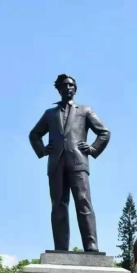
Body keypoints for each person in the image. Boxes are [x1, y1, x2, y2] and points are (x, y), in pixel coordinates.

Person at [29, 74, 111, 252]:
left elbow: (104, 132)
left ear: (75, 89)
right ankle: (60, 248)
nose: (68, 88)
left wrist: (93, 149)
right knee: (58, 205)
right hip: (56, 164)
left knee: (83, 201)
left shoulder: (85, 110)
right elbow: (34, 135)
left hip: (78, 162)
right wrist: (42, 150)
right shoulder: (50, 114)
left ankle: (91, 244)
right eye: (65, 85)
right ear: (59, 89)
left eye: (71, 85)